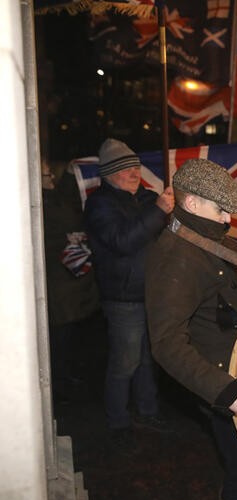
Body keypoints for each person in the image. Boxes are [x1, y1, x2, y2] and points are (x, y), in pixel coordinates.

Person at [144, 159, 237, 500]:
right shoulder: (176, 257)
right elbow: (166, 344)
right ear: (192, 205)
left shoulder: (201, 236)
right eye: (221, 210)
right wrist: (228, 392)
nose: (227, 220)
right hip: (221, 382)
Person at [83, 138, 174, 453]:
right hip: (123, 298)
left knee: (148, 359)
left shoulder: (149, 199)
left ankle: (148, 412)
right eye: (125, 168)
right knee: (125, 362)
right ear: (109, 173)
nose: (134, 171)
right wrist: (159, 210)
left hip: (153, 294)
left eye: (135, 166)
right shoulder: (100, 204)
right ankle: (118, 420)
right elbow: (123, 240)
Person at [42, 159, 101, 403]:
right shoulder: (44, 205)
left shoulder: (53, 201)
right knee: (59, 340)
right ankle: (58, 384)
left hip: (65, 284)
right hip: (59, 284)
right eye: (47, 175)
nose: (50, 178)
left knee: (64, 338)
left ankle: (63, 380)